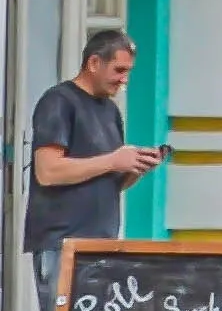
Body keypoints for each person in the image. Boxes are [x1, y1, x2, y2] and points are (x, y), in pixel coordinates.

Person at [22, 22, 160, 296]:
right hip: (63, 244)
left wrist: (134, 166)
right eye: (119, 70)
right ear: (94, 63)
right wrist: (113, 160)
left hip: (102, 245)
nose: (124, 80)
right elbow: (48, 171)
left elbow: (109, 183)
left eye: (128, 72)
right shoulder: (59, 102)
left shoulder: (109, 111)